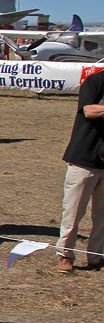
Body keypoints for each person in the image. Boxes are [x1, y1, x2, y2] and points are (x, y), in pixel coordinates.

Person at [56, 68, 104, 273]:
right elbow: (88, 110)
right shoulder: (95, 82)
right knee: (74, 212)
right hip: (84, 158)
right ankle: (65, 255)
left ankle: (97, 257)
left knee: (102, 216)